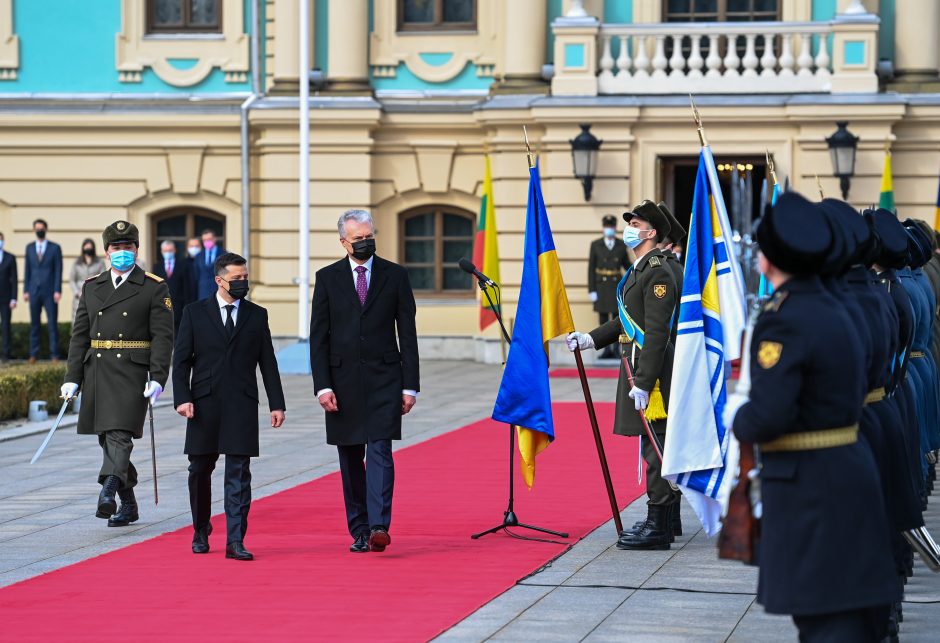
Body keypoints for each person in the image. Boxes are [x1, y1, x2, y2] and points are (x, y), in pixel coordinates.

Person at [728, 192, 900, 642]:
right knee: (851, 613)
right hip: (850, 464)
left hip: (811, 486)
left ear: (768, 260)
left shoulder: (784, 318)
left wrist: (737, 416)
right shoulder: (836, 303)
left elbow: (768, 415)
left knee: (826, 619)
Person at [566, 200, 681, 550]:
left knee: (655, 445)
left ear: (652, 233)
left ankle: (657, 524)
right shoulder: (643, 268)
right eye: (629, 222)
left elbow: (657, 331)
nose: (630, 227)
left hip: (652, 372)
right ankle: (668, 519)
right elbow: (628, 318)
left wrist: (645, 382)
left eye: (636, 223)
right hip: (641, 365)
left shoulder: (657, 269)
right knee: (656, 442)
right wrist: (592, 338)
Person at [310, 209, 419, 554]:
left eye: (369, 236)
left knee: (381, 452)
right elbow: (318, 338)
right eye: (358, 238)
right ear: (343, 241)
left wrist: (409, 385)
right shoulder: (327, 278)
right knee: (350, 456)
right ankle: (358, 528)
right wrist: (323, 385)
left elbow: (408, 333)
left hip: (385, 379)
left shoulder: (395, 276)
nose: (365, 242)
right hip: (341, 383)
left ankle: (378, 526)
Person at [173, 252, 285, 561]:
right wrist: (182, 398)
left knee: (239, 473)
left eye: (245, 278)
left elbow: (268, 363)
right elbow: (181, 362)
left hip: (242, 403)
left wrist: (277, 403)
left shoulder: (256, 314)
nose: (242, 283)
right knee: (199, 470)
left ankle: (236, 539)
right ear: (219, 281)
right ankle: (200, 528)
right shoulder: (194, 313)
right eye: (236, 279)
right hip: (204, 404)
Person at [61, 220, 174, 526]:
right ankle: (130, 503)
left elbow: (163, 337)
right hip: (98, 369)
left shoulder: (153, 286)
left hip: (133, 372)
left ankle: (108, 491)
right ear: (106, 251)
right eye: (116, 248)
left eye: (128, 247)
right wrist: (72, 377)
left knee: (120, 435)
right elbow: (80, 335)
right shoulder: (93, 286)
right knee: (106, 439)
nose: (122, 252)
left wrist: (158, 378)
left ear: (136, 249)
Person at [587, 214, 629, 358]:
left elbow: (626, 265)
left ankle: (617, 349)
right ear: (603, 228)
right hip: (601, 286)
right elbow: (591, 268)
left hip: (616, 285)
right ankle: (605, 349)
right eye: (607, 227)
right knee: (603, 319)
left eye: (611, 227)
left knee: (618, 319)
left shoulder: (621, 245)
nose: (609, 229)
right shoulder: (595, 244)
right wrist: (592, 289)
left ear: (615, 228)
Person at [24, 218, 63, 363]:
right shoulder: (29, 248)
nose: (39, 230)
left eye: (41, 228)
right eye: (37, 228)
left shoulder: (55, 248)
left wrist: (57, 290)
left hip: (50, 292)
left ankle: (55, 355)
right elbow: (27, 269)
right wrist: (26, 290)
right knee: (34, 325)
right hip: (34, 291)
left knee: (52, 324)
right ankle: (34, 354)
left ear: (46, 229)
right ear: (34, 230)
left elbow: (58, 269)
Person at [153, 240, 192, 334]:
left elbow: (187, 287)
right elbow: (154, 287)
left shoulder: (183, 265)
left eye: (170, 250)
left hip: (179, 305)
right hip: (162, 305)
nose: (168, 253)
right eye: (165, 251)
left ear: (174, 250)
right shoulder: (157, 267)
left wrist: (187, 305)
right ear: (161, 252)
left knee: (179, 332)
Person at [69, 239, 106, 319]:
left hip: (94, 297)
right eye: (86, 248)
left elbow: (103, 278)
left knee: (93, 320)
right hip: (79, 297)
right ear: (83, 248)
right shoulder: (77, 262)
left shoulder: (99, 262)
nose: (88, 249)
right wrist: (77, 293)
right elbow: (72, 280)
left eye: (90, 248)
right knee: (77, 320)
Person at [193, 230, 225, 301]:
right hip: (203, 294)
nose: (207, 242)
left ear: (214, 239)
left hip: (220, 293)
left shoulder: (223, 254)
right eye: (205, 240)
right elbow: (196, 276)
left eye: (209, 239)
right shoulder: (199, 256)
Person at [0, 231, 17, 362]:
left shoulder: (10, 258)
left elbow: (14, 279)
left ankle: (6, 355)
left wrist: (14, 298)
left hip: (6, 298)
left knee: (6, 327)